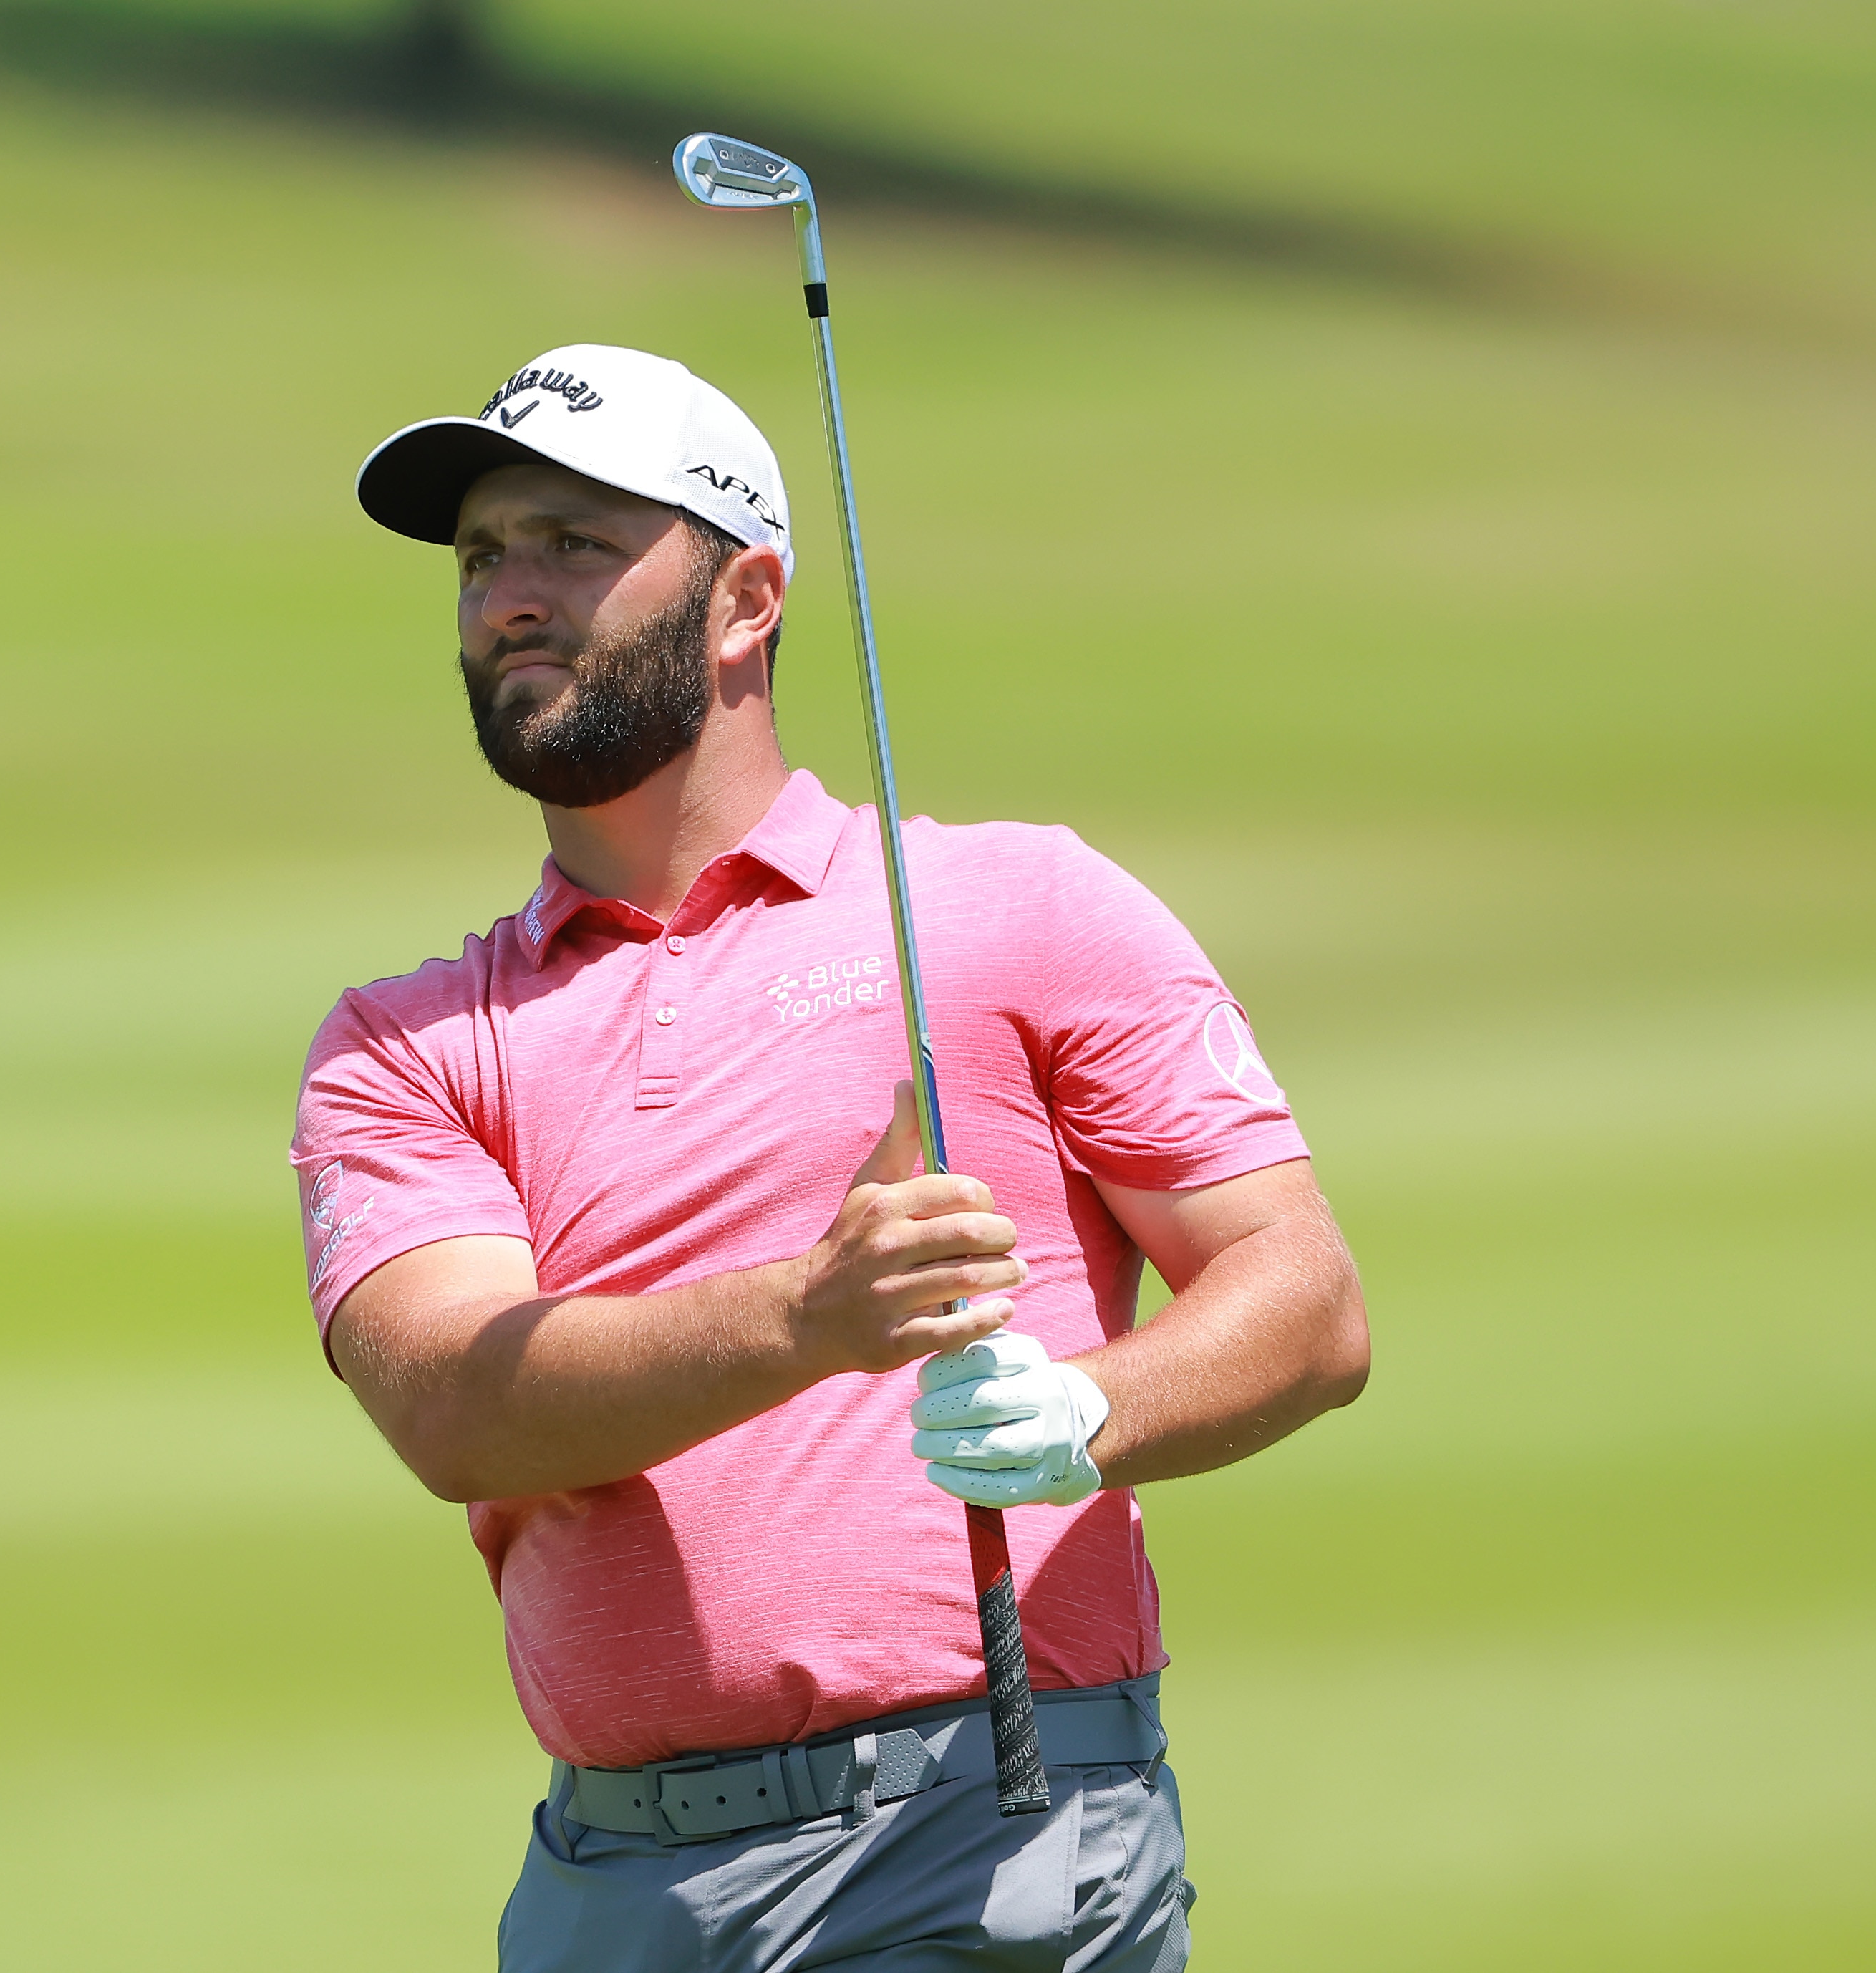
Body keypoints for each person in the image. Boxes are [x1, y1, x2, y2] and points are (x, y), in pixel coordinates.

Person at [294, 344, 1370, 1971]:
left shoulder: (1018, 906)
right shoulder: (405, 1041)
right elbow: (459, 1405)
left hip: (983, 1829)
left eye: (577, 545)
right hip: (610, 1884)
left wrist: (1095, 1408)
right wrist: (816, 1314)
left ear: (748, 602)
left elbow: (1305, 1298)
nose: (513, 592)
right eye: (483, 554)